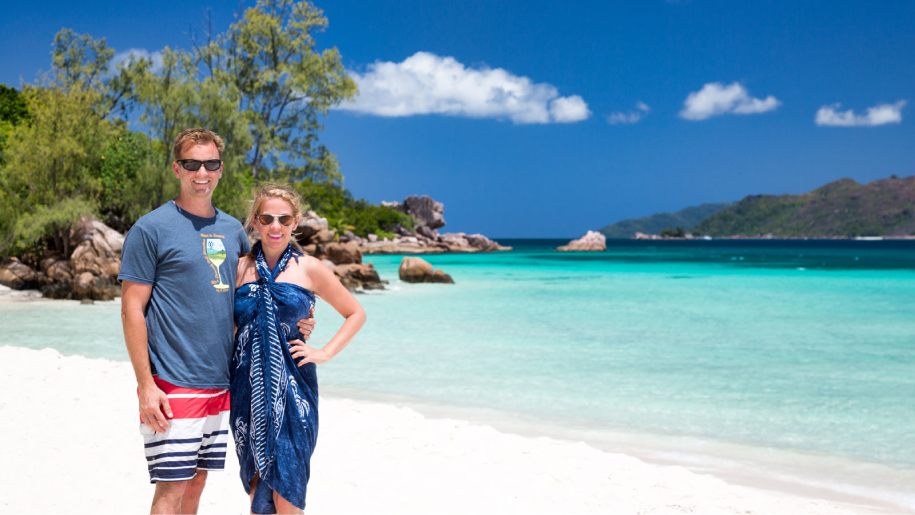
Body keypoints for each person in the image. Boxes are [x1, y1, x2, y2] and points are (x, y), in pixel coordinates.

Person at [119, 128, 315, 514]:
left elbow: (264, 290)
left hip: (223, 382)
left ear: (221, 169)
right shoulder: (151, 228)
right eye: (192, 164)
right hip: (172, 380)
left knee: (197, 480)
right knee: (171, 487)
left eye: (210, 164)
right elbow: (131, 309)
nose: (201, 172)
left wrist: (302, 321)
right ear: (177, 168)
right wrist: (145, 384)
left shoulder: (232, 231)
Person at [232, 184, 365, 514]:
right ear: (255, 222)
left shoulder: (310, 268)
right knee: (257, 491)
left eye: (283, 219)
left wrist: (324, 352)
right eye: (267, 218)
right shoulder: (238, 269)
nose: (275, 226)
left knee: (288, 495)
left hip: (295, 394)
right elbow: (228, 328)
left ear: (295, 223)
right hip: (247, 393)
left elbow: (355, 313)